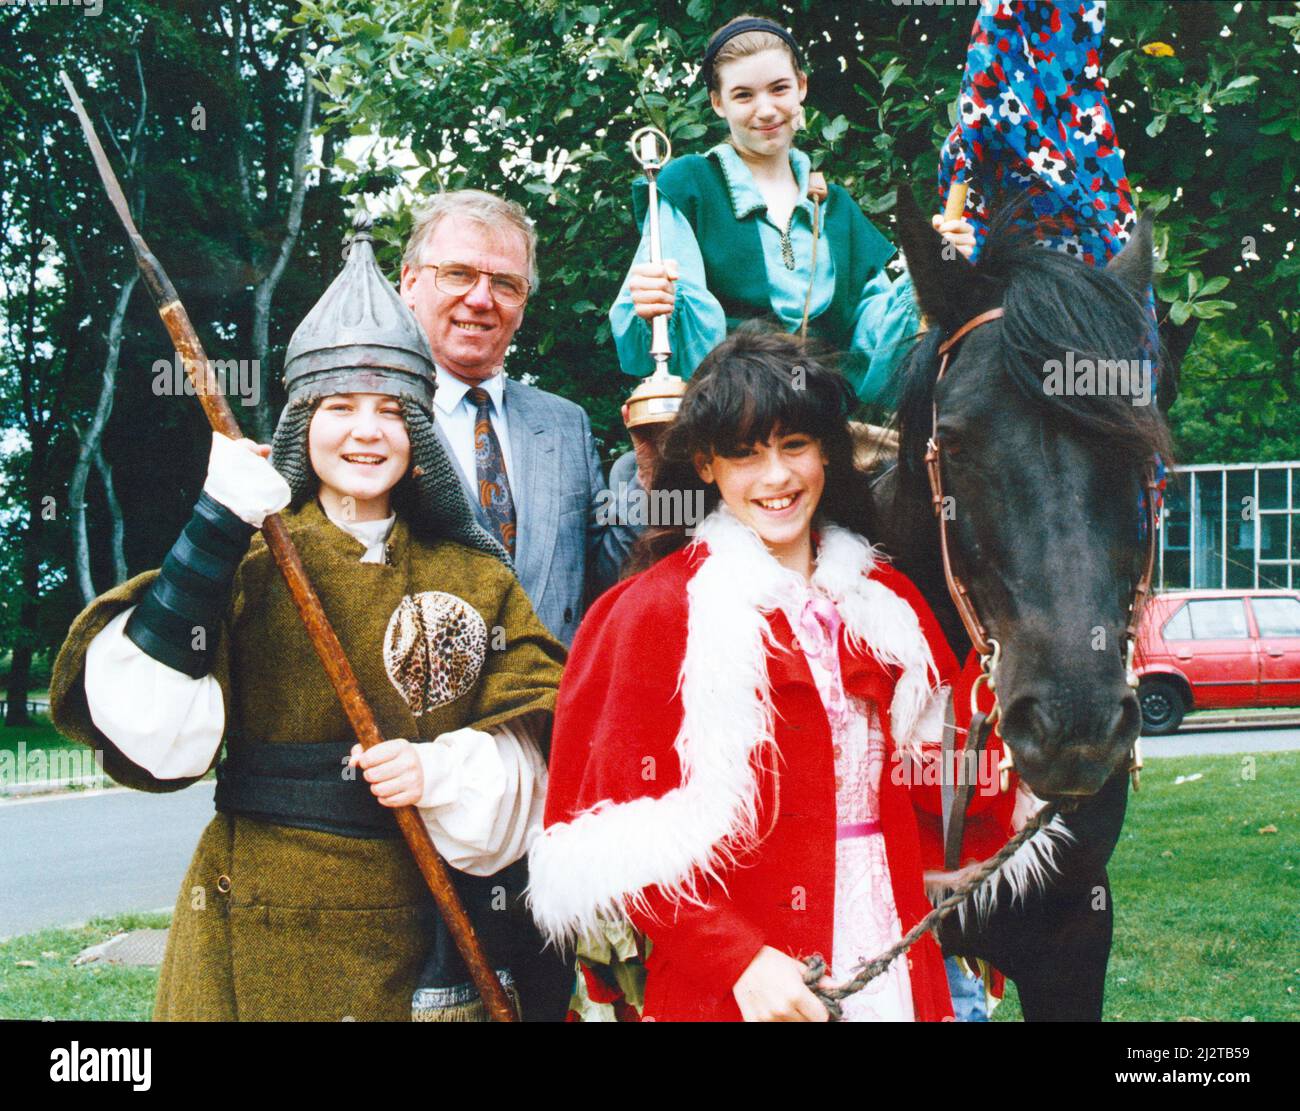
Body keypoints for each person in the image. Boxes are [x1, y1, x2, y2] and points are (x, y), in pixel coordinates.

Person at [49, 216, 567, 1022]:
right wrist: (215, 527)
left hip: (428, 931)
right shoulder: (244, 564)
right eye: (339, 406)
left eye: (392, 410)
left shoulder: (475, 578)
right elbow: (152, 734)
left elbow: (537, 751)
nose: (367, 430)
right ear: (302, 423)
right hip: (255, 920)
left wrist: (441, 771)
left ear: (419, 433)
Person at [529, 329, 959, 1022]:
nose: (776, 478)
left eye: (795, 446)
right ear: (705, 464)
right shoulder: (655, 612)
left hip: (892, 951)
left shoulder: (889, 604)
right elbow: (619, 848)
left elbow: (953, 792)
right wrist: (739, 960)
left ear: (827, 449)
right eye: (745, 453)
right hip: (735, 982)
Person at [609, 14, 976, 405]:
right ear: (718, 103)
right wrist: (652, 302)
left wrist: (927, 276)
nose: (765, 110)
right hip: (725, 416)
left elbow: (874, 338)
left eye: (779, 88)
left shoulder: (836, 208)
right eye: (744, 95)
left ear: (801, 86)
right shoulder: (688, 186)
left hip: (827, 421)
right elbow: (654, 330)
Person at [399, 190, 643, 646]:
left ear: (523, 303)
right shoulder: (369, 421)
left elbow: (608, 582)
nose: (480, 299)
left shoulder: (565, 423)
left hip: (554, 706)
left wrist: (650, 470)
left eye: (506, 284)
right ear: (410, 283)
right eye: (458, 274)